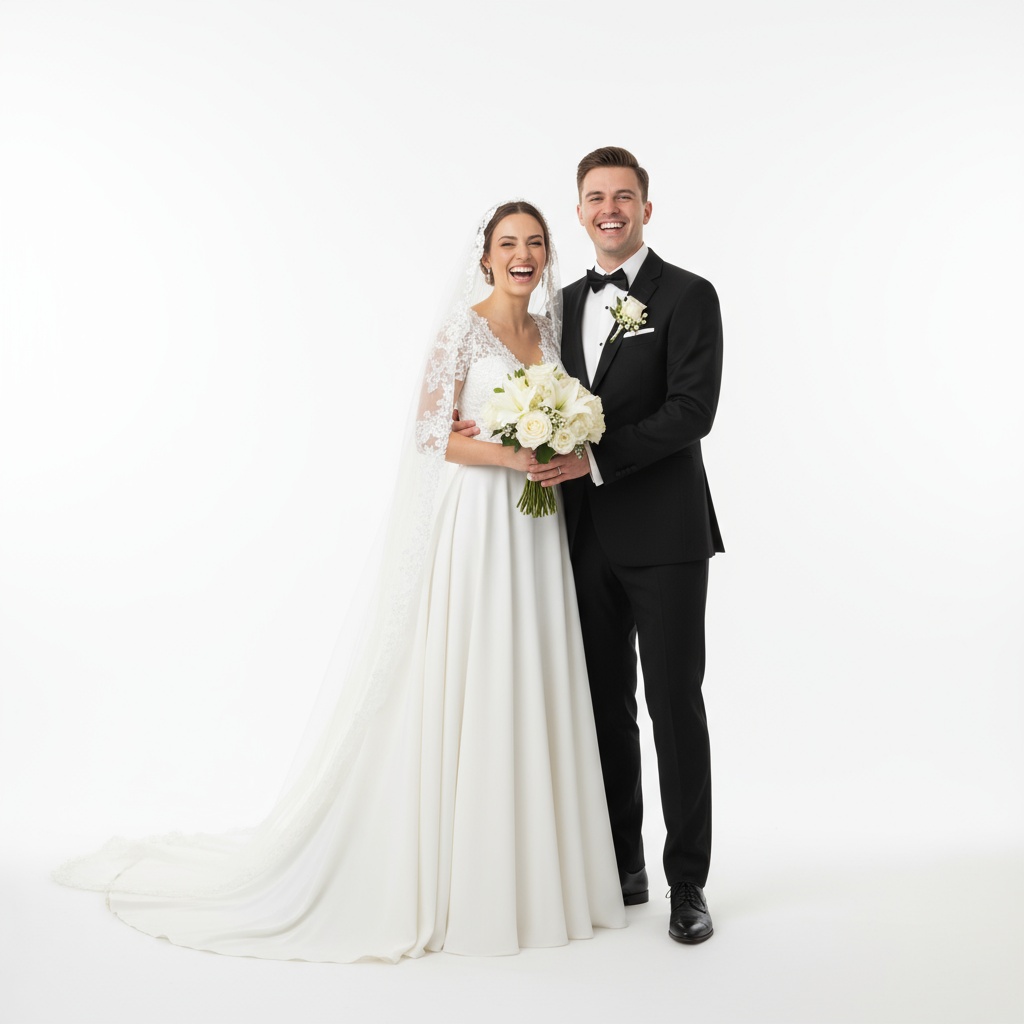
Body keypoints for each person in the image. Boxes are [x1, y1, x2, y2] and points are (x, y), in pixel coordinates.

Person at [53, 200, 626, 962]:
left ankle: (533, 874)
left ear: (547, 256)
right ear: (485, 257)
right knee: (478, 666)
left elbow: (562, 416)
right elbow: (430, 435)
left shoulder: (550, 330)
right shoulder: (464, 326)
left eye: (534, 244)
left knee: (532, 671)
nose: (522, 255)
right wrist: (511, 453)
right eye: (507, 244)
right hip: (480, 524)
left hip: (534, 529)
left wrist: (552, 437)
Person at [455, 149, 724, 943]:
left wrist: (596, 458)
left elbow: (691, 411)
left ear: (646, 207)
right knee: (603, 706)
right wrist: (493, 434)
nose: (610, 209)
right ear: (580, 212)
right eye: (595, 198)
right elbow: (523, 388)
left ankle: (688, 884)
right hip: (578, 538)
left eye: (624, 197)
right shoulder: (557, 307)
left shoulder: (689, 296)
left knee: (674, 707)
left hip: (668, 536)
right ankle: (621, 864)